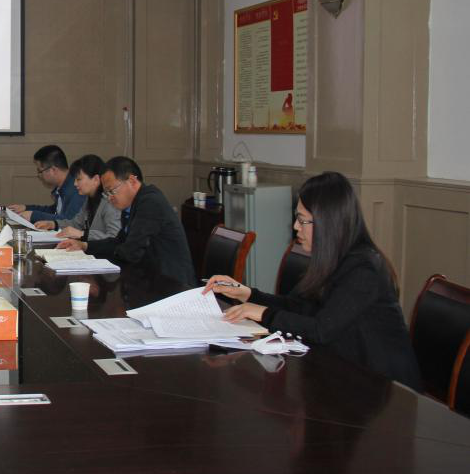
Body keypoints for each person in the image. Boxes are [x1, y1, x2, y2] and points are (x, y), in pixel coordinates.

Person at [203, 171, 422, 389]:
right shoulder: (334, 258)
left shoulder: (364, 269)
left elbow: (321, 330)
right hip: (348, 373)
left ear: (328, 222)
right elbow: (300, 307)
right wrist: (248, 294)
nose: (296, 227)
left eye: (302, 220)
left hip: (385, 387)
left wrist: (263, 313)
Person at [59, 156, 194, 289]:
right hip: (150, 280)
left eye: (112, 191)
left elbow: (131, 251)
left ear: (132, 181)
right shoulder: (130, 205)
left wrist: (100, 258)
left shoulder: (150, 202)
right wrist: (84, 245)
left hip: (173, 285)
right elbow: (119, 241)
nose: (110, 198)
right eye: (106, 193)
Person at [32, 154, 122, 241]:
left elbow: (114, 237)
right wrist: (54, 224)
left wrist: (82, 234)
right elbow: (76, 223)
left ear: (95, 179)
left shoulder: (111, 201)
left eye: (78, 179)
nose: (75, 184)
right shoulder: (89, 199)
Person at [7, 145, 85, 224]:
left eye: (40, 171)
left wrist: (34, 216)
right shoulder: (64, 185)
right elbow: (54, 211)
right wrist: (26, 208)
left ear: (53, 170)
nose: (39, 175)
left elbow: (69, 220)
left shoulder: (76, 188)